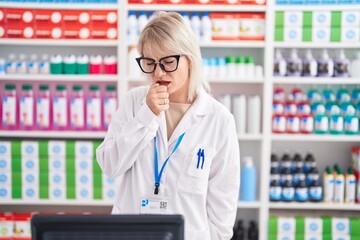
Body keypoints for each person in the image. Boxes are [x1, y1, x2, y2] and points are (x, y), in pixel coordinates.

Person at [96, 11, 240, 240]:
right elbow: (110, 165)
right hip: (132, 233)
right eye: (150, 63)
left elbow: (222, 207)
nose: (158, 73)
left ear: (189, 59)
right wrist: (147, 115)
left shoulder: (219, 120)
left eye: (168, 62)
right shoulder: (135, 102)